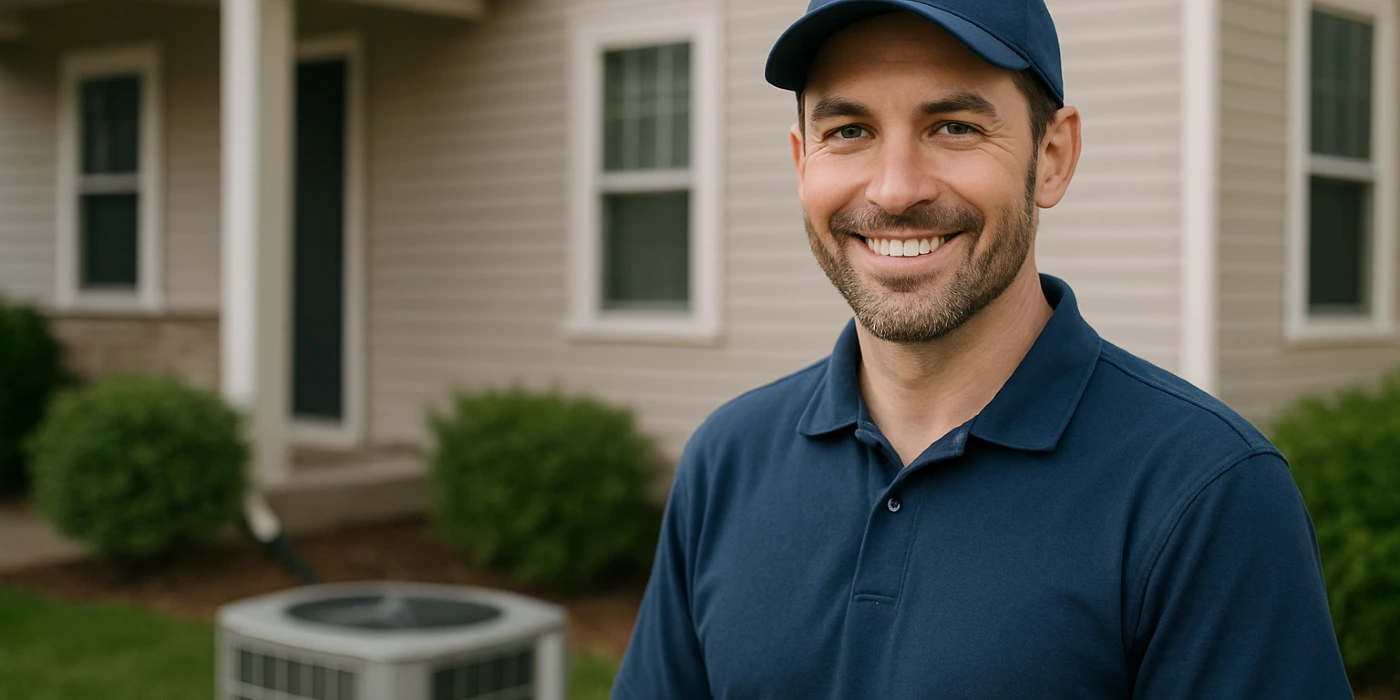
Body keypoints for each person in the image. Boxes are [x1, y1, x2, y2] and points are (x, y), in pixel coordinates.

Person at [611, 1, 1353, 697]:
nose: (896, 190)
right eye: (849, 131)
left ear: (1054, 156)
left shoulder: (1205, 492)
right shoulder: (727, 460)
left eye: (955, 126)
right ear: (803, 161)